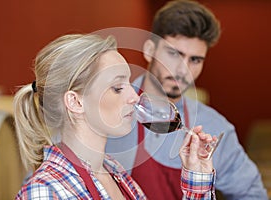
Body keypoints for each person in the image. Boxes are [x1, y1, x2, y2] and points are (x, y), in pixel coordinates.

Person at [14, 33, 217, 199]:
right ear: (75, 102)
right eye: (117, 88)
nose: (134, 97)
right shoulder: (46, 192)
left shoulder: (114, 172)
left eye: (129, 83)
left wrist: (197, 176)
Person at [106, 0, 268, 199]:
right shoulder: (105, 109)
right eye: (174, 54)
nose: (183, 70)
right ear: (149, 50)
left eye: (195, 60)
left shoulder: (214, 128)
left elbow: (252, 194)